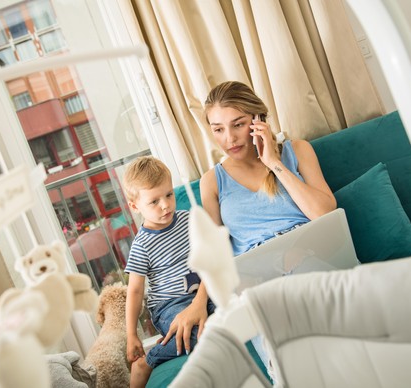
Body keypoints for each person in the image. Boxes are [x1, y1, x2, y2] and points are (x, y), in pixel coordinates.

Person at [200, 80, 337, 256]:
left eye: (238, 125)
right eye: (218, 129)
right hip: (262, 274)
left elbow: (325, 213)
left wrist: (274, 163)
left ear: (258, 119)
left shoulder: (298, 150)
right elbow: (217, 254)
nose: (230, 138)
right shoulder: (211, 182)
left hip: (311, 254)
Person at [123, 156, 215, 388]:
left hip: (204, 293)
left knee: (227, 316)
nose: (165, 205)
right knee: (196, 334)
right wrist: (132, 334)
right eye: (154, 201)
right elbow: (134, 291)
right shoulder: (142, 244)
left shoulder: (188, 220)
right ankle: (149, 361)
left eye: (169, 195)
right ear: (135, 207)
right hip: (169, 305)